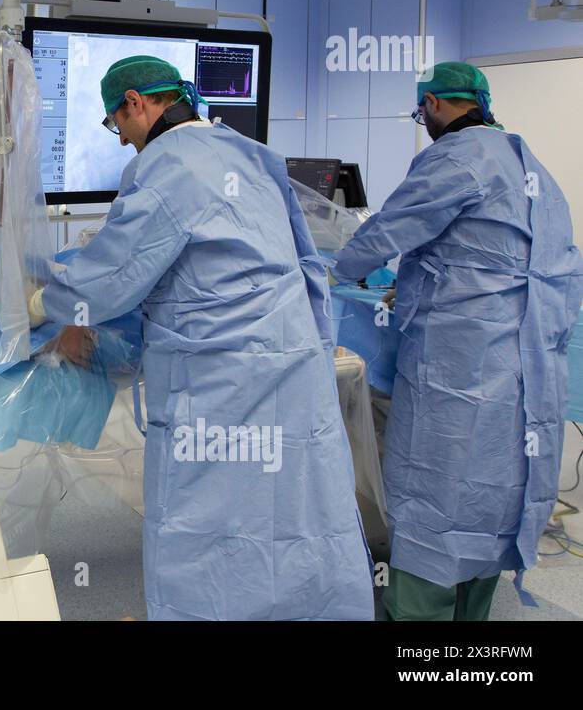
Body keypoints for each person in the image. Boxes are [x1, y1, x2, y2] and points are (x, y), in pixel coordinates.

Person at [29, 55, 374, 621]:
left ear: (136, 102)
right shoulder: (248, 153)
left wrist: (43, 302)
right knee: (297, 514)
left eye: (118, 126)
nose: (122, 141)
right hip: (292, 367)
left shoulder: (169, 166)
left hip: (221, 384)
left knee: (209, 528)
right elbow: (308, 265)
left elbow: (112, 281)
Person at [332, 61, 583, 621]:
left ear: (436, 105)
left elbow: (393, 227)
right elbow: (494, 260)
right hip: (522, 369)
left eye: (422, 110)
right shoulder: (530, 164)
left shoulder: (455, 158)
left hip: (458, 364)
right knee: (492, 490)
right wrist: (420, 283)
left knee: (435, 490)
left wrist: (333, 270)